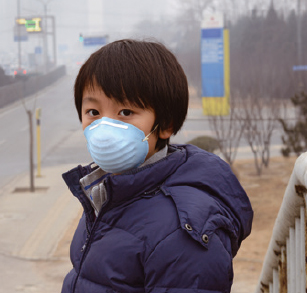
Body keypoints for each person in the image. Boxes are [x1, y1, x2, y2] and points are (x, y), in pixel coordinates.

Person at [61, 39, 253, 292]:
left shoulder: (182, 232)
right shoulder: (108, 194)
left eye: (126, 112)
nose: (104, 128)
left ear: (165, 124)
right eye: (94, 112)